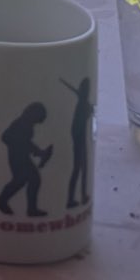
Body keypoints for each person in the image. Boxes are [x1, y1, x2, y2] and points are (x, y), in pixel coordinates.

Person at [0, 102, 54, 217]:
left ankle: (26, 207)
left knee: (25, 180)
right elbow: (6, 137)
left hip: (21, 157)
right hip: (17, 157)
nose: (40, 119)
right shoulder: (21, 123)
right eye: (40, 116)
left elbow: (26, 142)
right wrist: (37, 152)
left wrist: (38, 152)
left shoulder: (26, 123)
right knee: (25, 180)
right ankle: (3, 201)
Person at [59, 76, 94, 209]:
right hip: (80, 142)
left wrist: (89, 111)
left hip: (82, 141)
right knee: (78, 170)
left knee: (83, 170)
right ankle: (71, 199)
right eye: (86, 90)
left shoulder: (83, 104)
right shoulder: (81, 106)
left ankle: (83, 195)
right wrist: (87, 112)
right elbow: (75, 128)